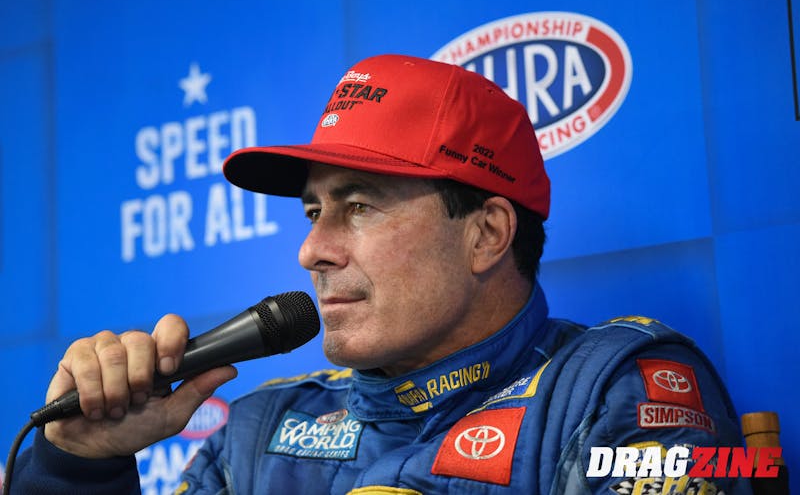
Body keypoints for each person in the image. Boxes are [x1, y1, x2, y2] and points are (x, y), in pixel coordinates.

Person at [11, 54, 751, 494]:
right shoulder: (259, 432)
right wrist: (77, 469)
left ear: (487, 234)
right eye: (313, 212)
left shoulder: (619, 388)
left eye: (359, 206)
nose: (312, 250)